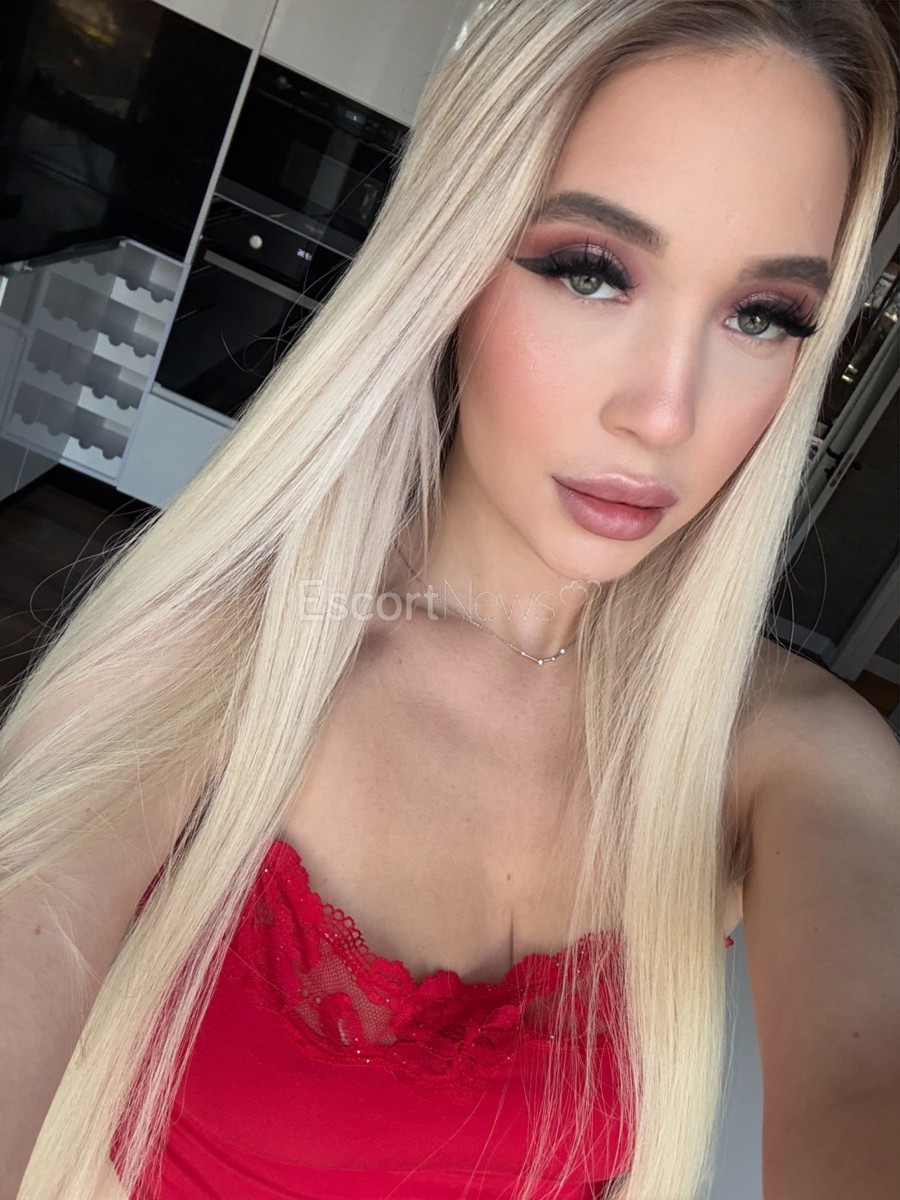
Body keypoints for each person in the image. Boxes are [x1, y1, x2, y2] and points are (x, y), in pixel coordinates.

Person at [1, 1, 898, 1198]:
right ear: (454, 259)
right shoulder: (207, 654)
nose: (664, 414)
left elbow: (864, 1084)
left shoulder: (787, 753)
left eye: (761, 316)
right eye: (591, 273)